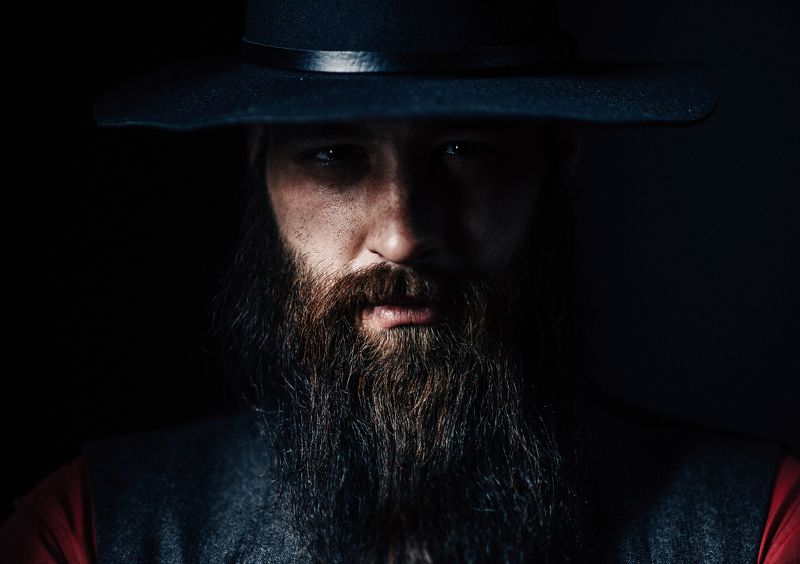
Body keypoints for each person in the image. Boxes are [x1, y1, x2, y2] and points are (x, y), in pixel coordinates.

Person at [1, 0, 797, 562]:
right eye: (334, 154)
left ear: (558, 160)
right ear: (257, 160)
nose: (404, 234)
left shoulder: (759, 527)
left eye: (463, 150)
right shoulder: (89, 532)